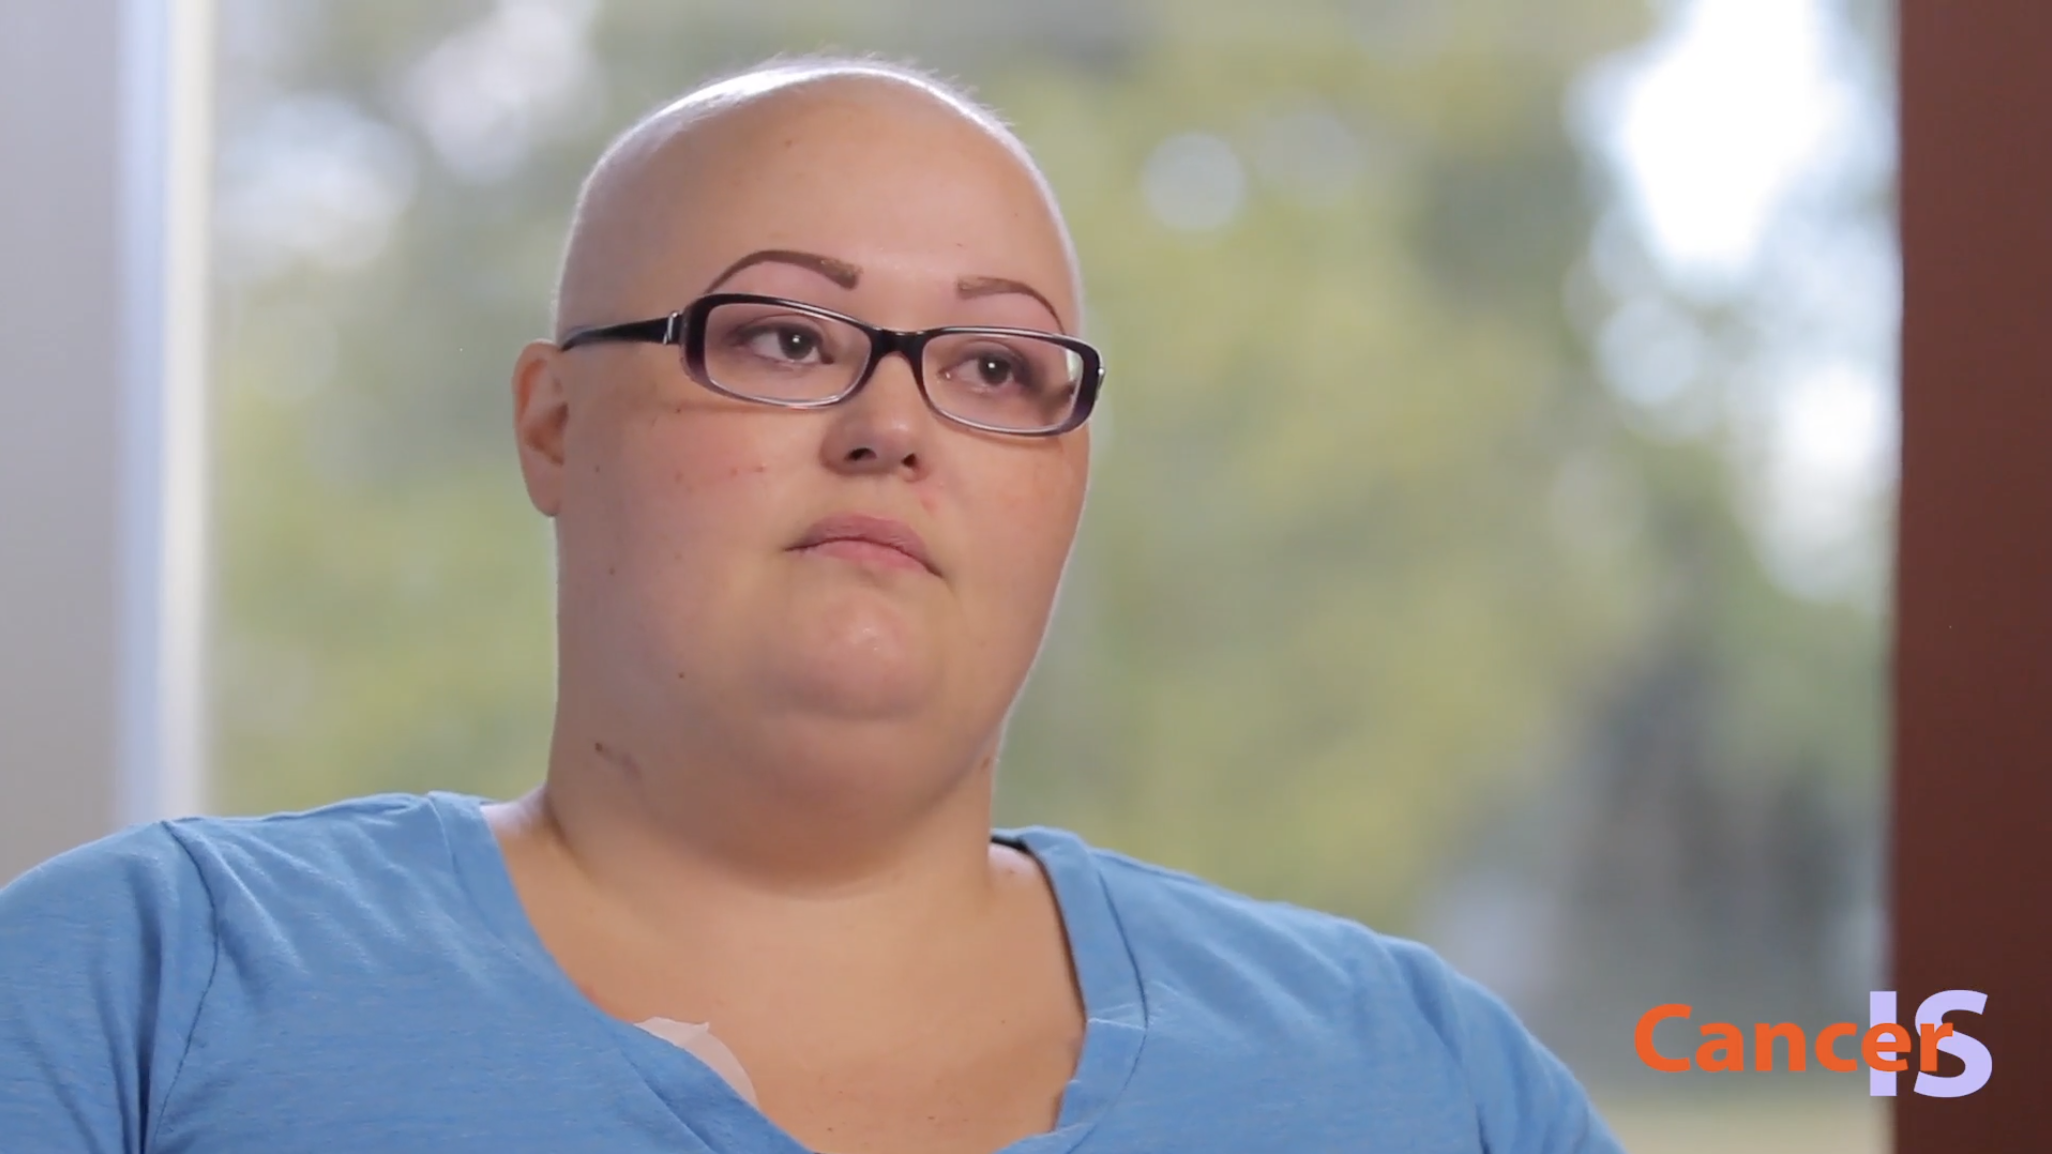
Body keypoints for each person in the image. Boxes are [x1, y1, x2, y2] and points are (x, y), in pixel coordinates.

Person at [0, 57, 1624, 1154]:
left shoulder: (1427, 1080)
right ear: (553, 424)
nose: (894, 423)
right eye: (782, 337)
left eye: (996, 366)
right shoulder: (137, 988)